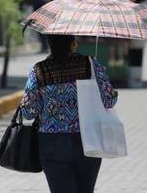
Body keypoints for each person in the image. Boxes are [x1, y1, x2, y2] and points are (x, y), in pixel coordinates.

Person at [19, 35, 118, 193]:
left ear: (50, 44)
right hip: (87, 140)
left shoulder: (39, 70)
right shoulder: (90, 64)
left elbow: (28, 112)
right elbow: (109, 101)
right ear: (73, 44)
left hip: (51, 143)